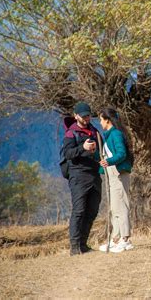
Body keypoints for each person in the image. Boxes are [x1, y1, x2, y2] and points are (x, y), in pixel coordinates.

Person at [62, 102, 101, 255]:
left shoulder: (94, 130)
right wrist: (82, 148)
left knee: (92, 210)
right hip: (78, 175)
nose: (86, 118)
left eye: (88, 115)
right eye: (83, 115)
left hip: (94, 173)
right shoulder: (71, 133)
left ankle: (83, 245)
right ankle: (74, 247)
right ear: (76, 116)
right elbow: (68, 154)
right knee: (79, 211)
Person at [97, 108, 134, 253]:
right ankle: (116, 238)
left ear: (108, 120)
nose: (100, 122)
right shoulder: (109, 136)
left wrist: (109, 161)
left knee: (121, 205)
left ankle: (126, 239)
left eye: (101, 119)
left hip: (119, 173)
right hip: (112, 175)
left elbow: (121, 153)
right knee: (114, 207)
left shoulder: (116, 135)